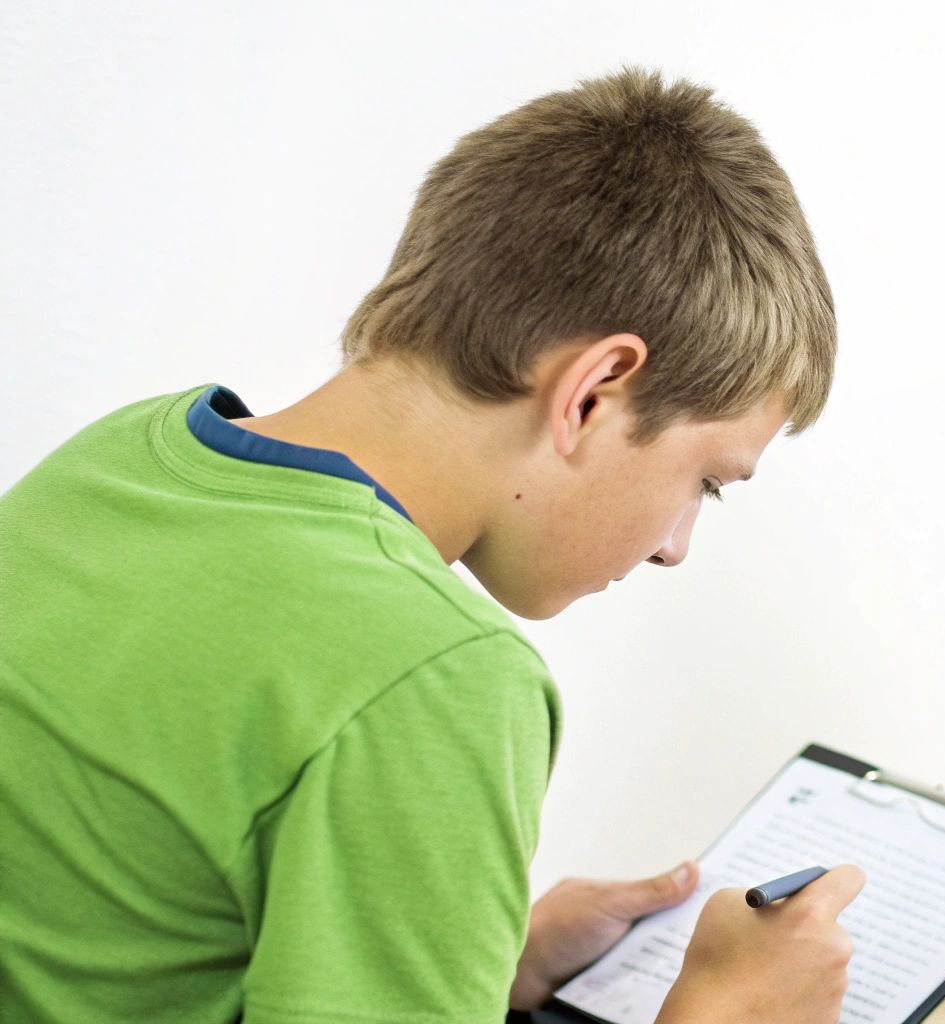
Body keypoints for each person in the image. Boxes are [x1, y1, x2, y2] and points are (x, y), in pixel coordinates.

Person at [0, 69, 864, 1023]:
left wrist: (482, 955)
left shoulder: (124, 457)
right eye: (704, 481)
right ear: (594, 391)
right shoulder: (438, 672)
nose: (675, 548)